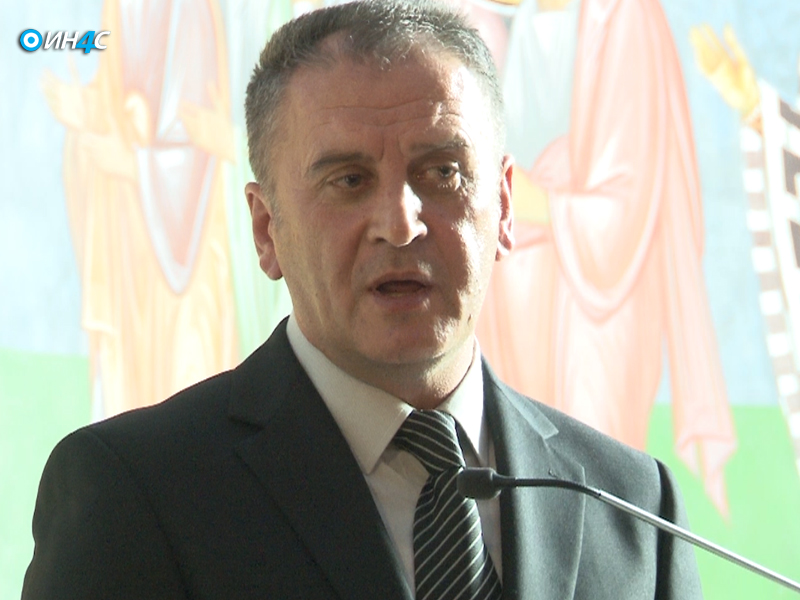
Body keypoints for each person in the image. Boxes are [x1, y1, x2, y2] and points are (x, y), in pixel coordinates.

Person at [22, 1, 703, 598]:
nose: (401, 224)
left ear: (502, 206)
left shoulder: (632, 502)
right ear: (266, 230)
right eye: (348, 180)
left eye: (442, 172)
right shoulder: (138, 491)